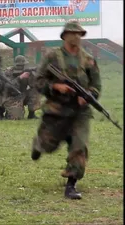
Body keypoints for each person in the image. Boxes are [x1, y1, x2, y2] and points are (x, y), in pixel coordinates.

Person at [31, 21, 101, 200]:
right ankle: (39, 144)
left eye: (79, 33)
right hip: (56, 110)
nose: (76, 36)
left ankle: (71, 184)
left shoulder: (88, 60)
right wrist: (56, 86)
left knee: (79, 146)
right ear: (64, 35)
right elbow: (38, 81)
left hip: (80, 112)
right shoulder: (52, 57)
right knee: (48, 145)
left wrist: (87, 96)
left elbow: (96, 86)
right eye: (72, 33)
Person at [2, 55, 40, 120]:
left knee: (34, 91)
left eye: (23, 65)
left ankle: (31, 114)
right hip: (11, 96)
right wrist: (20, 78)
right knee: (16, 117)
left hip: (23, 94)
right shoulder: (9, 72)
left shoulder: (28, 72)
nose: (22, 67)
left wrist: (33, 77)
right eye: (20, 65)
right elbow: (8, 86)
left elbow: (33, 86)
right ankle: (8, 112)